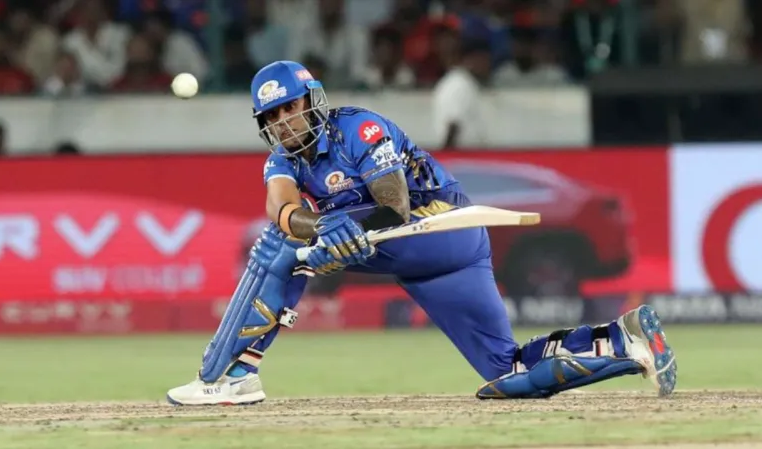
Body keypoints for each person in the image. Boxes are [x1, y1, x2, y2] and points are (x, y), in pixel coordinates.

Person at [166, 61, 677, 405]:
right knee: (508, 374)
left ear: (311, 102)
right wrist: (322, 228)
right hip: (416, 257)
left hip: (437, 230)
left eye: (290, 108)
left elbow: (395, 205)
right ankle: (626, 343)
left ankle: (233, 375)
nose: (284, 123)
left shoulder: (359, 129)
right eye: (273, 116)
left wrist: (337, 237)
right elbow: (282, 209)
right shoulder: (282, 159)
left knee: (282, 249)